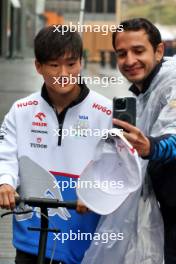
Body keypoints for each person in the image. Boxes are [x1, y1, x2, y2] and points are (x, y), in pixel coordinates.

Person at [0, 25, 112, 264]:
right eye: (54, 65)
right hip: (31, 237)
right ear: (38, 66)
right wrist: (5, 183)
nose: (64, 72)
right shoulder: (20, 110)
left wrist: (96, 192)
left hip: (84, 238)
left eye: (71, 64)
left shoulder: (106, 111)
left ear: (81, 63)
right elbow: (5, 155)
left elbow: (118, 165)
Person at [112, 18, 176, 264]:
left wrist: (150, 146)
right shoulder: (144, 91)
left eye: (138, 51)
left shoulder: (171, 82)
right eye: (121, 54)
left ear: (158, 51)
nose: (129, 61)